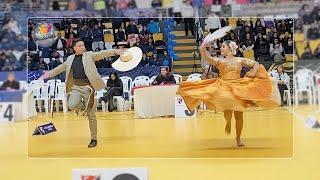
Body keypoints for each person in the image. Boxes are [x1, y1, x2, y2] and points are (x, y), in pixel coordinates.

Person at [178, 37, 280, 147]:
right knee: (227, 106)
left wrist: (253, 72)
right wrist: (202, 49)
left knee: (239, 114)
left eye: (223, 46)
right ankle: (228, 121)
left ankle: (238, 138)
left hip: (238, 86)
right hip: (224, 85)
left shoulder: (240, 60)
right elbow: (207, 58)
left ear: (230, 48)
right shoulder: (219, 60)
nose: (221, 48)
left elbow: (255, 63)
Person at [40, 39, 123, 148]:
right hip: (76, 87)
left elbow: (102, 53)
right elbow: (60, 68)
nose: (82, 47)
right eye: (79, 46)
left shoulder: (89, 55)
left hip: (89, 88)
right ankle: (84, 108)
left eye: (83, 45)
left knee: (91, 115)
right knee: (71, 105)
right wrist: (48, 74)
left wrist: (114, 52)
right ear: (74, 48)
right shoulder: (70, 59)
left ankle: (94, 138)